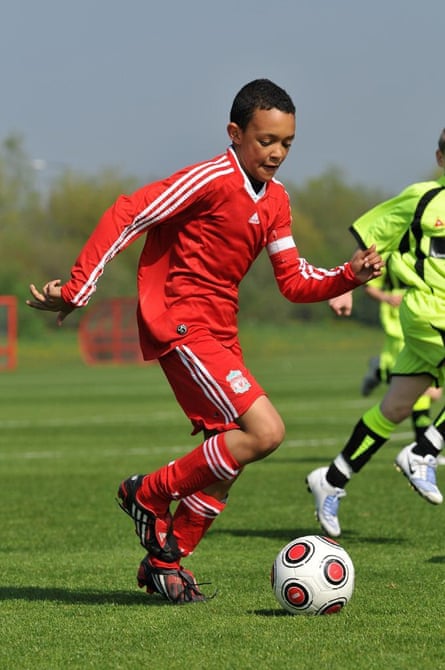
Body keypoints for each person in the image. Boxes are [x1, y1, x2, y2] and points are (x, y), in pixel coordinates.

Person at [27, 78, 382, 603]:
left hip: (221, 332)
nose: (278, 153)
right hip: (181, 321)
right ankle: (147, 493)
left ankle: (166, 562)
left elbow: (294, 280)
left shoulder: (277, 201)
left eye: (287, 143)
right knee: (265, 432)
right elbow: (130, 211)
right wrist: (81, 286)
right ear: (235, 134)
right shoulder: (211, 179)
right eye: (266, 141)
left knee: (228, 459)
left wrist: (347, 275)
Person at [308, 129, 445, 538]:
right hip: (427, 310)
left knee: (397, 407)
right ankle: (425, 452)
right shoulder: (421, 200)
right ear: (440, 158)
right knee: (411, 420)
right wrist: (343, 286)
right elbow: (372, 243)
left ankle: (332, 478)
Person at [360, 261, 442, 440]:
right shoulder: (394, 250)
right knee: (420, 383)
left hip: (434, 311)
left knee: (433, 391)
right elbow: (369, 285)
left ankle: (379, 369)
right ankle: (423, 447)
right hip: (404, 314)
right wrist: (387, 298)